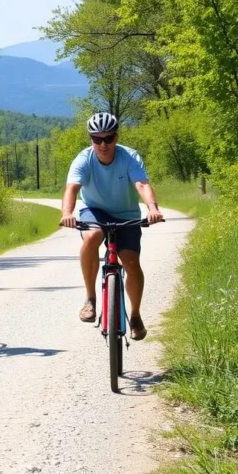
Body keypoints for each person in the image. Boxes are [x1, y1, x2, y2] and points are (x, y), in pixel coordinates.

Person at [59, 112, 164, 340]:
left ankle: (135, 315)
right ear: (91, 139)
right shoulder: (83, 159)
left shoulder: (129, 157)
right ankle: (90, 298)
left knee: (131, 263)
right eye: (97, 139)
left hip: (126, 214)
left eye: (108, 138)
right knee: (92, 236)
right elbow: (72, 189)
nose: (103, 144)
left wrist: (153, 208)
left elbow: (142, 184)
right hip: (95, 210)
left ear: (116, 137)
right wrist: (67, 213)